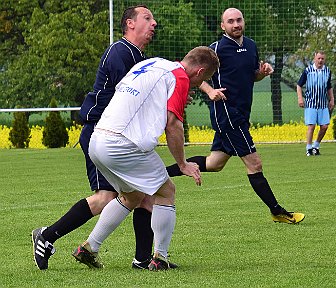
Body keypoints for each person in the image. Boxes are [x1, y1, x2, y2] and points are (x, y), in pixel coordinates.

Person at [32, 5, 162, 270]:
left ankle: (142, 260)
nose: (154, 24)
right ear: (129, 24)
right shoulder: (120, 52)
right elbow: (129, 98)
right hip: (102, 134)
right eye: (147, 18)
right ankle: (46, 236)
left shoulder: (136, 56)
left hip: (117, 137)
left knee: (144, 195)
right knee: (106, 197)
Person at [71, 46, 219, 270]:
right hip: (122, 144)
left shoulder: (153, 63)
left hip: (98, 139)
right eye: (204, 79)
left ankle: (89, 247)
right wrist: (183, 164)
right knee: (167, 191)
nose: (199, 85)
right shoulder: (179, 78)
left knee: (132, 195)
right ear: (199, 72)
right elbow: (173, 125)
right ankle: (160, 258)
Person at [166, 8, 305, 224]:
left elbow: (252, 77)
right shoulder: (216, 49)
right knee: (254, 164)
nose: (236, 24)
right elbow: (192, 72)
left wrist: (262, 73)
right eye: (230, 21)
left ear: (244, 22)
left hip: (241, 112)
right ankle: (277, 211)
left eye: (238, 20)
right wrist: (210, 91)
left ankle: (159, 175)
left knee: (214, 163)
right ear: (223, 26)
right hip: (227, 113)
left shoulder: (251, 46)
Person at [297, 51, 335, 156]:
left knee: (324, 127)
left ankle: (316, 146)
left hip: (323, 104)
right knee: (311, 126)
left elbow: (329, 87)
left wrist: (331, 99)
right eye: (319, 58)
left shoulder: (327, 71)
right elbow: (299, 85)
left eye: (322, 59)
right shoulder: (308, 71)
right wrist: (300, 98)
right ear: (314, 58)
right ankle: (308, 148)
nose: (320, 60)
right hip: (311, 103)